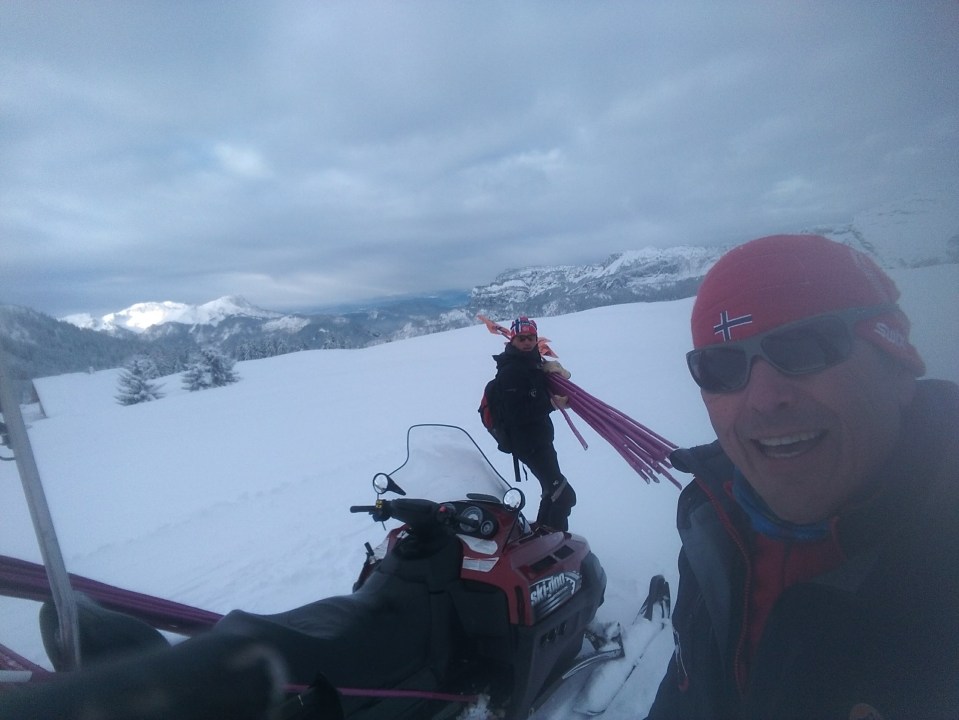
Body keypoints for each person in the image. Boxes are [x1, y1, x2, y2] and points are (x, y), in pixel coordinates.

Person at [646, 234, 959, 720]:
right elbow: (688, 690)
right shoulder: (713, 522)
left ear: (897, 366)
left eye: (806, 347)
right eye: (721, 367)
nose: (765, 399)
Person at [493, 316, 576, 530]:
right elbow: (515, 415)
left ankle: (540, 533)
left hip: (541, 440)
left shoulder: (532, 362)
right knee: (564, 496)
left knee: (552, 491)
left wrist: (553, 371)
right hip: (527, 444)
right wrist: (551, 404)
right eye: (521, 338)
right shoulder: (511, 371)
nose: (527, 342)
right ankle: (554, 542)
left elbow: (535, 391)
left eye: (531, 337)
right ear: (512, 340)